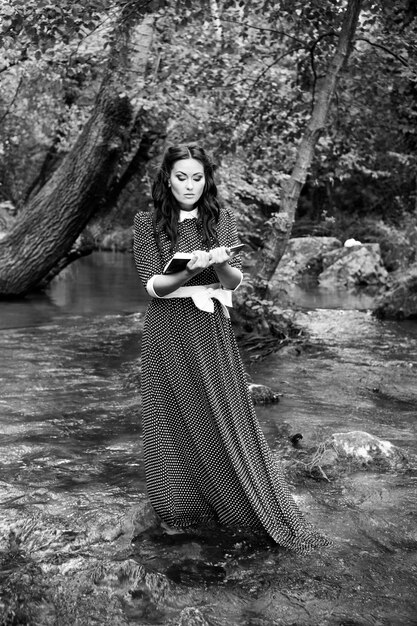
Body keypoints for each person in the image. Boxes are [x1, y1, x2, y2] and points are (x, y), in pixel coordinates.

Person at [133, 143, 331, 553]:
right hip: (165, 326)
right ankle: (179, 507)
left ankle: (237, 501)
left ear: (207, 180)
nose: (189, 185)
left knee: (223, 412)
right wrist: (186, 270)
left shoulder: (222, 218)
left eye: (197, 177)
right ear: (166, 178)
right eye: (181, 177)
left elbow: (233, 282)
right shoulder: (146, 222)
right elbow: (153, 285)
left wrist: (219, 263)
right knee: (167, 413)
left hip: (210, 326)